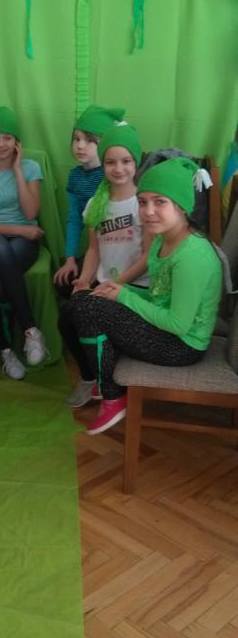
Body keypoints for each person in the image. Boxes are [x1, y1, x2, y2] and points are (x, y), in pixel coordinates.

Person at [60, 157, 223, 434]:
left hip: (183, 347)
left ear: (182, 206)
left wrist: (125, 297)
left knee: (90, 309)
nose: (148, 212)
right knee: (79, 301)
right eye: (142, 202)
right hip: (165, 329)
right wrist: (123, 290)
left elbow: (178, 324)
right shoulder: (162, 240)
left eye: (160, 202)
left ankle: (113, 395)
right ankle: (100, 376)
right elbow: (159, 295)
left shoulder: (192, 256)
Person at [59, 121, 151, 407]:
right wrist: (84, 280)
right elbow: (94, 251)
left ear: (136, 163)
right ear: (103, 164)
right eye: (111, 162)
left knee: (86, 312)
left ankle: (108, 380)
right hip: (104, 283)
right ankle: (90, 378)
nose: (118, 168)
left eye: (126, 161)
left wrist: (117, 284)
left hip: (135, 287)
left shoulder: (144, 204)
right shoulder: (95, 205)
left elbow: (148, 257)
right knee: (67, 316)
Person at [0, 105, 48, 380]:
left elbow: (31, 212)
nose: (1, 144)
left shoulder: (30, 167)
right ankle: (31, 329)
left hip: (23, 242)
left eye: (7, 138)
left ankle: (6, 350)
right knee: (0, 246)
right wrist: (20, 230)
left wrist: (16, 170)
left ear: (17, 141)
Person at [53, 104, 121, 296]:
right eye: (76, 139)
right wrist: (70, 258)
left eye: (90, 141)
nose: (80, 146)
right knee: (63, 283)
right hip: (94, 250)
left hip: (116, 251)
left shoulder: (112, 176)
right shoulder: (75, 176)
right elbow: (74, 220)